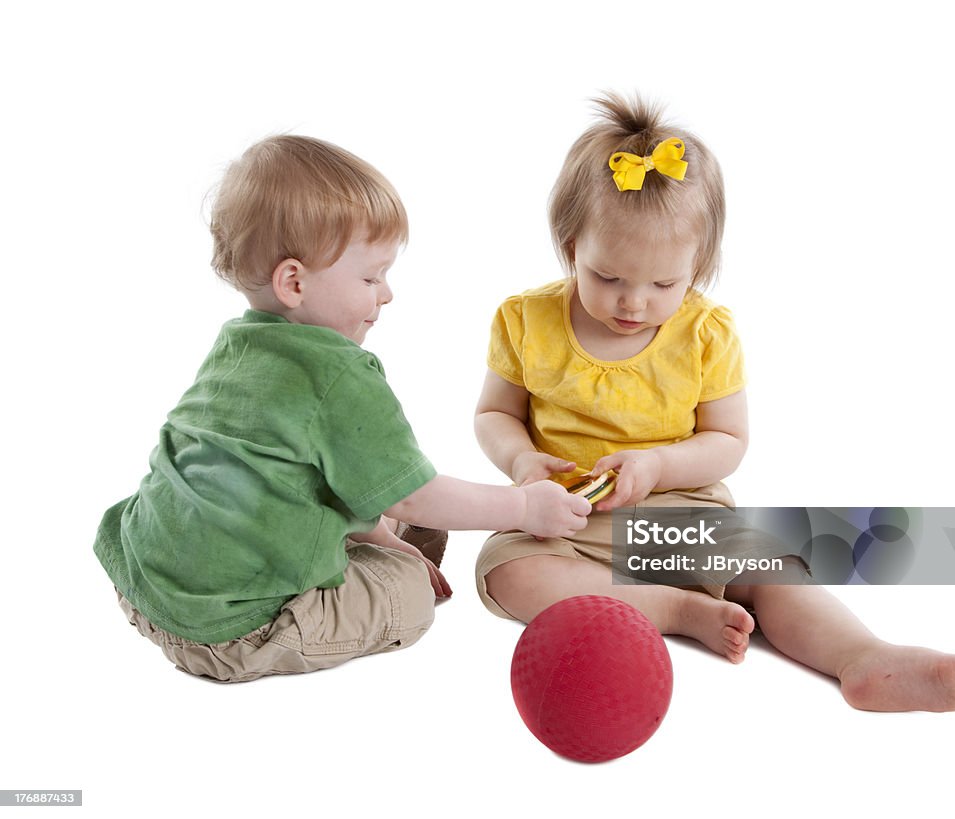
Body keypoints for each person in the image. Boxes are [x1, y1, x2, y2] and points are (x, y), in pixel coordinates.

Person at [473, 93, 955, 711]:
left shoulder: (704, 333)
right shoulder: (525, 319)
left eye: (665, 284)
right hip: (563, 519)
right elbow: (494, 414)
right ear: (570, 246)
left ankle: (862, 656)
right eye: (607, 277)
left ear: (700, 265)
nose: (632, 303)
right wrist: (522, 463)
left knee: (769, 571)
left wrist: (658, 467)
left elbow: (727, 441)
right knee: (507, 571)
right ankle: (673, 608)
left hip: (676, 512)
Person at [94, 135, 591, 683]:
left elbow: (278, 472)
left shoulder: (239, 346)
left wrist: (379, 530)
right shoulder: (341, 373)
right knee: (412, 590)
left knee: (392, 515)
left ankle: (361, 546)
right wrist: (524, 510)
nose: (387, 294)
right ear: (294, 282)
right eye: (371, 276)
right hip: (230, 631)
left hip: (143, 582)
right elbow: (415, 494)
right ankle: (354, 575)